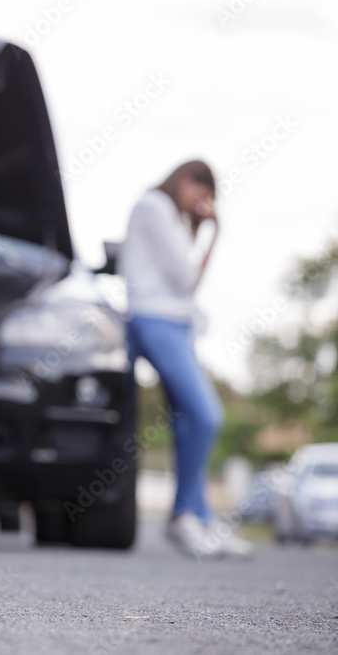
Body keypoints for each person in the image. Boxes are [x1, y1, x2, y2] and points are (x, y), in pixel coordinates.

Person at [118, 160, 254, 559]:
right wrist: (214, 231)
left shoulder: (173, 217)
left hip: (177, 323)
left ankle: (200, 516)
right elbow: (185, 279)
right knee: (206, 415)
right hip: (155, 319)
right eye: (202, 193)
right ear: (185, 180)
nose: (202, 204)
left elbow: (185, 286)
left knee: (185, 423)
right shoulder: (154, 207)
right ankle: (183, 517)